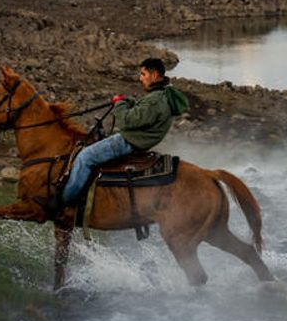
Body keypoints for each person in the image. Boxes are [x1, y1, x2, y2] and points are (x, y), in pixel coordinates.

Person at [55, 58, 189, 210]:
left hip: (129, 141)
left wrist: (119, 104)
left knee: (85, 157)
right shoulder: (162, 93)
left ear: (154, 74)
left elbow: (126, 122)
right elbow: (143, 112)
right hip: (139, 140)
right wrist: (129, 101)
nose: (140, 78)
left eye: (143, 74)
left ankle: (63, 204)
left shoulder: (155, 100)